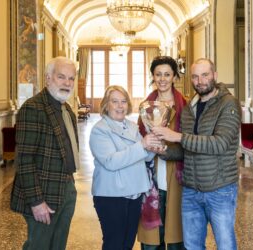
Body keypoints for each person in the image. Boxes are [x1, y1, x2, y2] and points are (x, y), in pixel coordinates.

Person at [152, 58, 241, 250]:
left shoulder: (228, 104)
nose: (200, 81)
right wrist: (163, 150)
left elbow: (220, 144)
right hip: (191, 190)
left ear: (215, 76)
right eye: (195, 76)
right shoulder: (189, 108)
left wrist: (176, 136)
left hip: (220, 189)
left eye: (205, 75)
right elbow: (185, 150)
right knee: (192, 246)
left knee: (225, 245)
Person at [10, 56, 79, 250]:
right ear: (48, 78)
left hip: (66, 188)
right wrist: (36, 201)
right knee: (39, 246)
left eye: (71, 78)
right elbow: (24, 160)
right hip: (43, 194)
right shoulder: (33, 108)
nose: (67, 83)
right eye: (61, 77)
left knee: (58, 246)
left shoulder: (67, 111)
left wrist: (71, 187)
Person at [89, 85, 162, 250]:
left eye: (123, 102)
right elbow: (111, 161)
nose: (120, 106)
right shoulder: (99, 130)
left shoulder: (131, 126)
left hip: (134, 194)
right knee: (114, 244)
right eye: (114, 101)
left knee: (127, 244)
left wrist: (154, 147)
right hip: (111, 196)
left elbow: (142, 157)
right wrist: (143, 145)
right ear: (106, 105)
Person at [137, 56, 187, 250]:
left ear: (174, 76)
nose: (163, 79)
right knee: (151, 241)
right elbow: (139, 138)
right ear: (153, 76)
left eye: (167, 74)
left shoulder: (186, 106)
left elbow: (190, 143)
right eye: (158, 74)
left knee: (176, 237)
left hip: (178, 178)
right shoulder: (145, 107)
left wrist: (167, 148)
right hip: (151, 180)